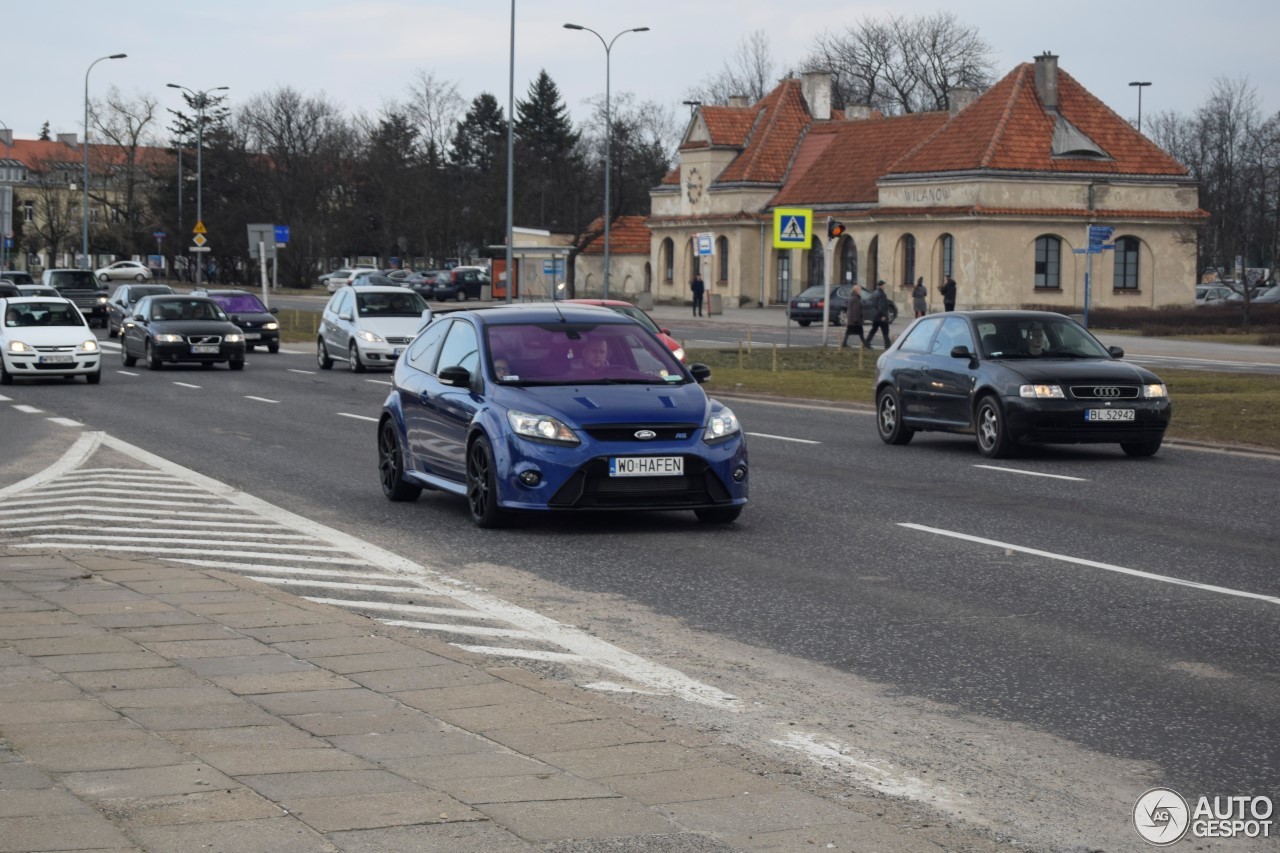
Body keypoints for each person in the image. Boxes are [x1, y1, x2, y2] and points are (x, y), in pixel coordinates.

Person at [865, 280, 891, 349]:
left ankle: (867, 342)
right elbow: (881, 305)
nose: (885, 286)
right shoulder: (881, 294)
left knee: (874, 329)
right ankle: (888, 346)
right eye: (884, 285)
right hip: (880, 316)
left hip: (875, 315)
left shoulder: (875, 293)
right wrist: (883, 315)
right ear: (881, 286)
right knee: (885, 330)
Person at [841, 284, 867, 349]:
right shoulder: (856, 299)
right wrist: (856, 319)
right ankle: (865, 344)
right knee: (860, 332)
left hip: (851, 319)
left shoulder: (852, 297)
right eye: (860, 290)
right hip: (855, 320)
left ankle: (844, 343)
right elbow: (856, 310)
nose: (860, 291)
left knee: (850, 332)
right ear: (856, 290)